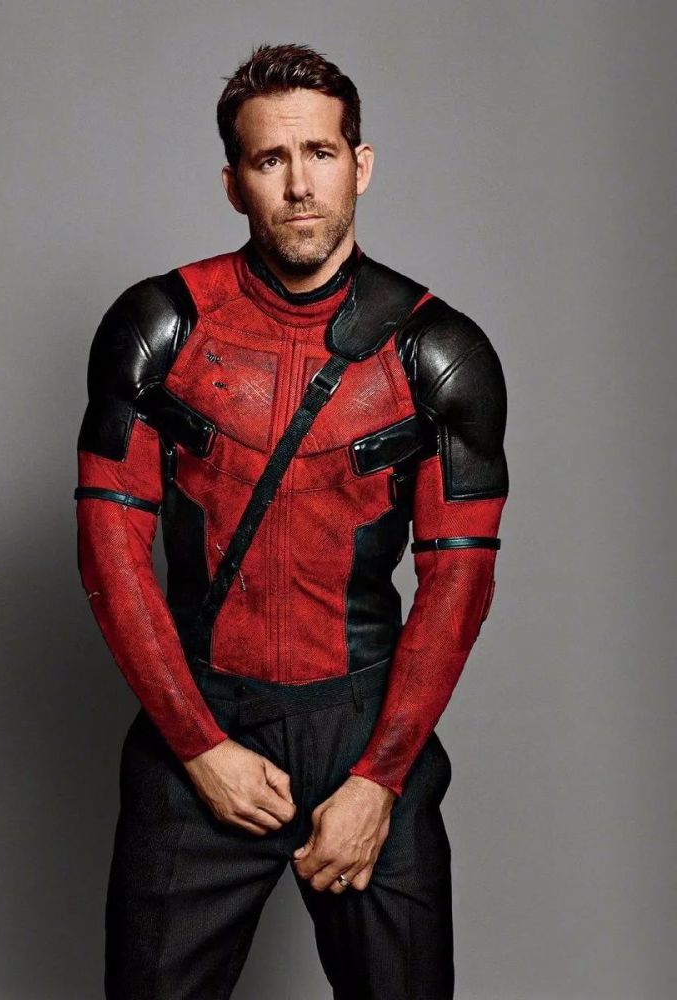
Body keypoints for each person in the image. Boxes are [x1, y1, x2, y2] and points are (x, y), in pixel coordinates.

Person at [74, 41, 509, 1000]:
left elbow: (459, 581)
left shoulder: (440, 351)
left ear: (361, 165)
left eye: (320, 153)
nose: (300, 185)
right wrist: (198, 745)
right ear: (234, 183)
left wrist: (380, 778)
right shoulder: (157, 328)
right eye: (270, 159)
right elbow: (111, 556)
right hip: (197, 719)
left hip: (368, 725)